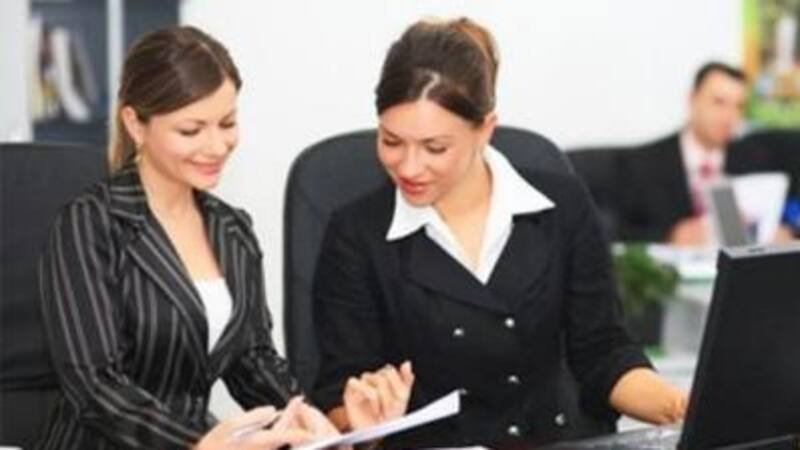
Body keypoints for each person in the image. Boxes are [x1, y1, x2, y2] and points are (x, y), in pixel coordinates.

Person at [311, 17, 686, 449]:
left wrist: (679, 407)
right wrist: (364, 426)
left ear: (485, 129)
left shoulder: (559, 205)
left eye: (435, 148)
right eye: (391, 142)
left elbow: (603, 351)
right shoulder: (356, 234)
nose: (409, 167)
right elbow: (340, 389)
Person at [36, 26, 410, 449]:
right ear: (135, 124)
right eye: (191, 130)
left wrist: (318, 426)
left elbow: (252, 362)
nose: (217, 146)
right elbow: (95, 386)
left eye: (227, 123)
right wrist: (197, 445)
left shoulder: (232, 229)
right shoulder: (90, 223)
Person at [617, 62, 785, 245]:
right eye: (719, 102)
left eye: (738, 106)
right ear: (692, 100)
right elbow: (618, 232)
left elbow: (778, 216)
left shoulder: (754, 159)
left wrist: (782, 232)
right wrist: (670, 237)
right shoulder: (645, 163)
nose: (729, 116)